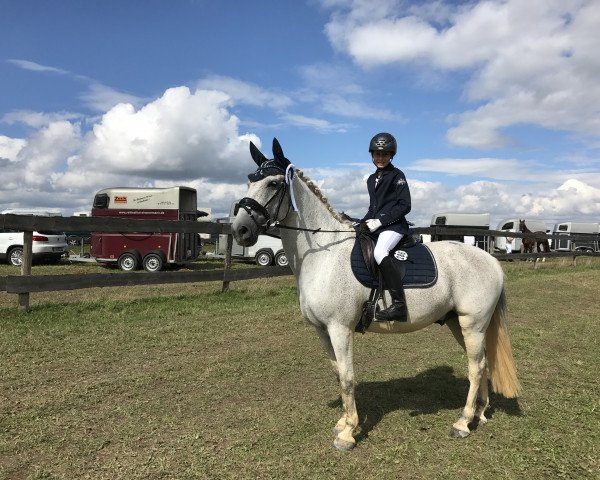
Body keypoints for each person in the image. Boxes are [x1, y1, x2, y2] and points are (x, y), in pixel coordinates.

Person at [361, 132, 412, 322]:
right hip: (379, 226)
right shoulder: (370, 179)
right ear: (372, 155)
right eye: (377, 154)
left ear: (391, 155)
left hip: (395, 226)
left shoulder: (397, 176)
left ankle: (399, 305)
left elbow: (404, 205)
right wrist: (359, 223)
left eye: (384, 154)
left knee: (379, 252)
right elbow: (373, 209)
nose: (380, 158)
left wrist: (380, 221)